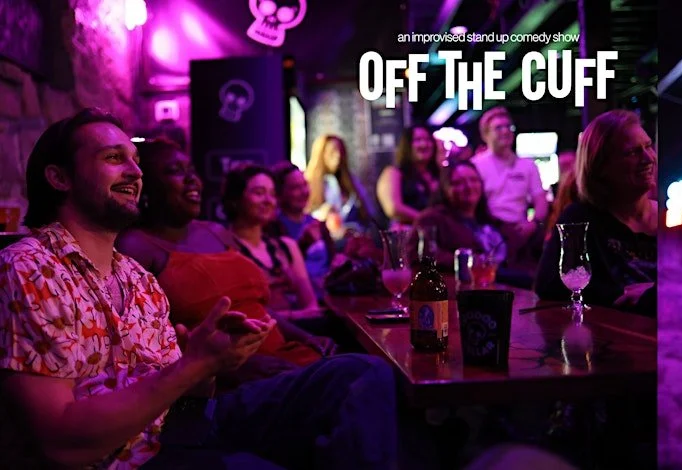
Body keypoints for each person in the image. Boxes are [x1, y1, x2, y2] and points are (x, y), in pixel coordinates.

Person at [0, 108, 397, 469]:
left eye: (136, 162)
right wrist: (194, 366)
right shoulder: (29, 268)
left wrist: (211, 360)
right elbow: (61, 442)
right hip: (130, 459)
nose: (136, 174)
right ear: (59, 177)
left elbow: (188, 398)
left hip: (186, 426)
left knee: (362, 373)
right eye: (113, 158)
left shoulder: (138, 279)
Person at [117, 139, 334, 389]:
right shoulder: (135, 246)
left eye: (191, 171)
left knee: (366, 367)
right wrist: (226, 369)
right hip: (231, 381)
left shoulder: (216, 232)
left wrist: (308, 337)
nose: (192, 180)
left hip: (284, 357)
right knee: (364, 374)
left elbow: (257, 309)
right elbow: (143, 345)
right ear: (146, 184)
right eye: (176, 171)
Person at [534, 110, 657, 314]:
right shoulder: (580, 218)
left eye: (648, 146)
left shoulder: (670, 219)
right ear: (600, 166)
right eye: (632, 152)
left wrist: (651, 294)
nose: (648, 158)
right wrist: (626, 296)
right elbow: (549, 286)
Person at [222, 162, 325, 318]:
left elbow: (311, 306)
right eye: (259, 192)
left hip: (302, 330)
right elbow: (242, 315)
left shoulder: (287, 247)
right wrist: (294, 316)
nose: (268, 200)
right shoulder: (223, 249)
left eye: (272, 193)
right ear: (236, 198)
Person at [411, 161, 509, 271]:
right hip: (466, 283)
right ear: (445, 189)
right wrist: (468, 260)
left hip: (505, 277)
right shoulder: (432, 219)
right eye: (458, 182)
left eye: (473, 180)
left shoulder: (486, 218)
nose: (469, 186)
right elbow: (420, 255)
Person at [471, 107, 548, 244]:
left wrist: (533, 223)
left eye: (509, 127)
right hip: (487, 231)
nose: (505, 131)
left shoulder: (528, 165)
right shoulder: (475, 165)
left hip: (520, 230)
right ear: (485, 135)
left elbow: (541, 200)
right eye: (498, 128)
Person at [304, 134, 378, 240]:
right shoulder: (309, 183)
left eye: (341, 151)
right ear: (321, 154)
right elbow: (303, 217)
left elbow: (368, 214)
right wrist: (322, 213)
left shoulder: (352, 182)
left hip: (352, 240)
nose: (338, 155)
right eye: (333, 151)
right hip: (324, 241)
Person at [270, 161, 333, 281]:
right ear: (279, 193)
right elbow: (280, 271)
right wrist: (304, 244)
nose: (304, 192)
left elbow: (332, 264)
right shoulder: (272, 227)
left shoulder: (317, 224)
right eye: (295, 187)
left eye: (304, 185)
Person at [376, 125, 441, 225]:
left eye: (428, 139)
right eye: (417, 140)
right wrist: (428, 221)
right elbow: (394, 209)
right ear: (407, 145)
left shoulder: (438, 174)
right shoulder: (393, 173)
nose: (424, 144)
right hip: (404, 235)